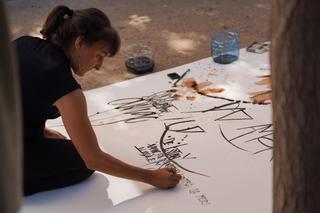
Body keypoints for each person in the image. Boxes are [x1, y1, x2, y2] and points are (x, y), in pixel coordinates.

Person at [13, 5, 181, 196]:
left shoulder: (26, 43)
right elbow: (92, 159)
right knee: (81, 163)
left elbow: (20, 93)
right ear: (79, 43)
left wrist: (35, 129)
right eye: (99, 55)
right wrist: (151, 177)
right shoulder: (64, 87)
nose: (99, 66)